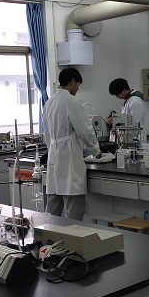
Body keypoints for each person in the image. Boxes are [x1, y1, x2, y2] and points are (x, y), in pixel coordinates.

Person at [43, 67, 101, 221]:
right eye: (78, 84)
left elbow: (46, 133)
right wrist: (96, 150)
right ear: (73, 82)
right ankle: (73, 236)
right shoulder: (71, 101)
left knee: (52, 209)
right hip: (69, 157)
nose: (78, 89)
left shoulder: (49, 102)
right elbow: (84, 130)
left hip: (54, 155)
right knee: (73, 208)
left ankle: (48, 235)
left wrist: (52, 149)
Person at [108, 78, 145, 142]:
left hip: (136, 139)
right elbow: (127, 119)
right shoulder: (127, 101)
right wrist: (116, 120)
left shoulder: (135, 101)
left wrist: (118, 125)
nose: (117, 97)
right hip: (128, 139)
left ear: (123, 90)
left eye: (117, 94)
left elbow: (135, 124)